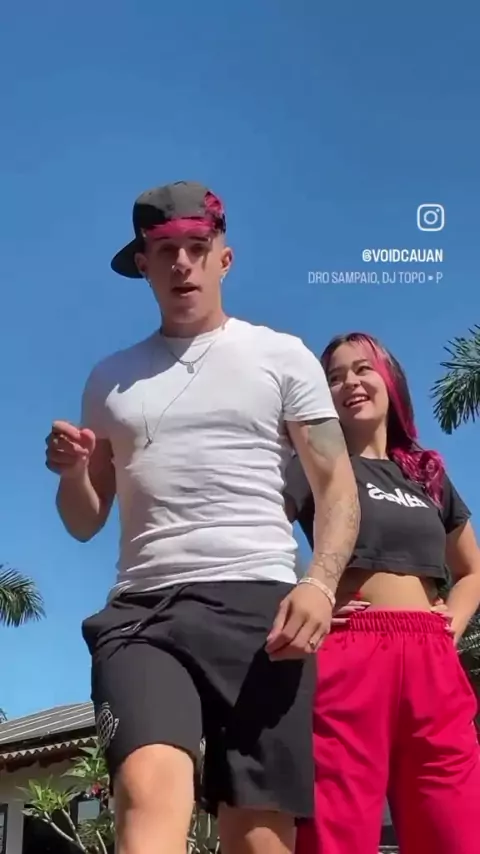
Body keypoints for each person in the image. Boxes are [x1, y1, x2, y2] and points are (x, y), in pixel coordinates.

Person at [45, 181, 359, 854]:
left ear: (224, 258)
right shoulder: (109, 379)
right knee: (146, 793)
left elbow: (336, 486)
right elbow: (84, 520)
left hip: (261, 611)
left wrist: (320, 582)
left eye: (197, 247)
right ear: (144, 265)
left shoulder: (282, 355)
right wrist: (73, 474)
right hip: (143, 613)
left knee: (258, 833)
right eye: (165, 251)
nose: (182, 263)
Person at [285, 331, 480, 854]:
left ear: (390, 380)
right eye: (334, 377)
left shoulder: (428, 476)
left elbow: (472, 570)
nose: (349, 382)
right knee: (336, 832)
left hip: (432, 659)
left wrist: (451, 623)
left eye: (362, 369)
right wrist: (308, 593)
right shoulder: (314, 465)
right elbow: (257, 534)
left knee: (455, 830)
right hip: (349, 650)